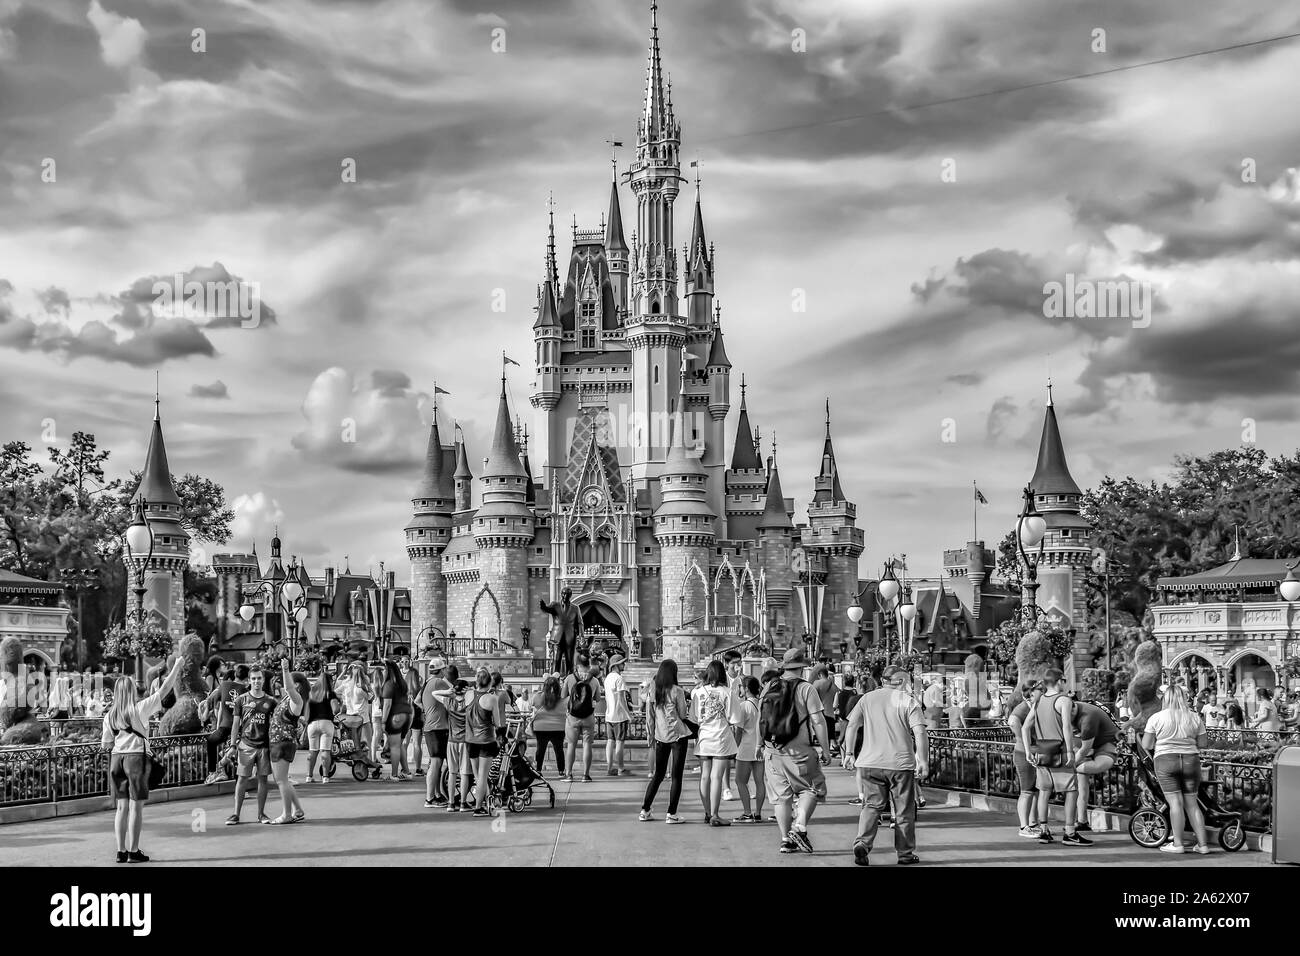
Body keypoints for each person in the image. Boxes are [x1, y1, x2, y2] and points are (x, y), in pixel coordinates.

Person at [842, 665, 928, 866]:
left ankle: (862, 842)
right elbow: (920, 732)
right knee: (903, 810)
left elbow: (852, 725)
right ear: (899, 682)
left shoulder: (867, 698)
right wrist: (922, 760)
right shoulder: (907, 701)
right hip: (900, 764)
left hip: (869, 763)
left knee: (872, 805)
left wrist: (848, 753)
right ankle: (905, 854)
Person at [101, 659, 185, 863]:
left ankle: (120, 851)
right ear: (130, 691)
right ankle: (133, 851)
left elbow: (106, 745)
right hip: (136, 759)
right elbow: (164, 689)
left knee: (121, 808)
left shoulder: (109, 716)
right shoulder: (140, 708)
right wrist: (177, 667)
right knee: (136, 806)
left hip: (116, 760)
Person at [761, 648, 832, 854]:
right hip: (800, 751)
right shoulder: (806, 689)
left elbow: (761, 720)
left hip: (772, 750)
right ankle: (799, 827)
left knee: (781, 798)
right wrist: (825, 750)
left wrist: (760, 745)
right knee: (813, 788)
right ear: (802, 667)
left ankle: (785, 840)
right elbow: (818, 720)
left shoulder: (768, 687)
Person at [1022, 669, 1091, 847]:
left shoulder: (1038, 701)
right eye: (1064, 680)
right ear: (1059, 681)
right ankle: (1070, 832)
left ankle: (1044, 831)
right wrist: (1070, 751)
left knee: (1044, 792)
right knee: (1071, 791)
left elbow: (1025, 727)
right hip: (1060, 752)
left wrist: (1029, 750)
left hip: (1042, 752)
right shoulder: (1063, 700)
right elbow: (1067, 728)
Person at [1142, 685, 1211, 854]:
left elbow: (1147, 744)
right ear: (1183, 698)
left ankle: (1178, 844)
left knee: (1175, 804)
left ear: (1165, 699)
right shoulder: (1194, 717)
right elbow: (1202, 744)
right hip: (1190, 760)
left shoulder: (1156, 718)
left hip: (1165, 760)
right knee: (1192, 804)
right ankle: (1203, 845)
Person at [640, 659, 691, 823]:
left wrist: (651, 734)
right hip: (678, 735)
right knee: (676, 776)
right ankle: (671, 813)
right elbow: (683, 715)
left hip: (661, 735)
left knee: (658, 775)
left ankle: (645, 809)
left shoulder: (654, 691)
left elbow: (650, 715)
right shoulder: (678, 691)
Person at [691, 660, 741, 826]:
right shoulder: (727, 692)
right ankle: (715, 814)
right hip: (721, 737)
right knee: (716, 777)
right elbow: (735, 718)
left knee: (705, 776)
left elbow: (694, 718)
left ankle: (707, 812)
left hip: (704, 737)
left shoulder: (698, 692)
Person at [1071, 697, 1121, 833]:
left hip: (1104, 745)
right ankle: (1081, 820)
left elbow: (1085, 749)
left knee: (1095, 767)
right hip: (1085, 748)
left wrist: (1071, 765)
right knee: (1081, 786)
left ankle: (1080, 820)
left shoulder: (1088, 716)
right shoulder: (1068, 713)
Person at [267, 662, 307, 824]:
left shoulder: (296, 699)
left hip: (282, 742)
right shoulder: (286, 699)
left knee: (281, 780)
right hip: (280, 741)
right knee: (284, 779)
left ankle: (287, 814)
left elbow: (289, 688)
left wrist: (285, 670)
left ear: (296, 684)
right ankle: (297, 809)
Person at [463, 666, 506, 816]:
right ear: (489, 683)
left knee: (477, 775)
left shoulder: (468, 695)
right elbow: (498, 722)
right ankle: (478, 807)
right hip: (486, 740)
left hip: (470, 739)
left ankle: (485, 799)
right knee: (482, 775)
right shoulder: (492, 698)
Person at [201, 663, 249, 783]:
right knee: (239, 755)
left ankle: (214, 771)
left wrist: (206, 710)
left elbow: (212, 699)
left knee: (211, 742)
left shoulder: (224, 685)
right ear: (247, 678)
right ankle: (240, 785)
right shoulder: (247, 691)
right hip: (240, 729)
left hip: (225, 725)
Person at [1007, 680, 1043, 837]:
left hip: (1035, 752)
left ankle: (1033, 822)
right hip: (1024, 754)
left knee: (1035, 789)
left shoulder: (1035, 707)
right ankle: (1024, 827)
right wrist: (1026, 745)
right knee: (1027, 790)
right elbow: (1012, 721)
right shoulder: (1021, 710)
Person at [562, 653, 603, 782]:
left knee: (571, 745)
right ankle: (585, 775)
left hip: (572, 717)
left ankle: (568, 774)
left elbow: (563, 695)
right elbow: (597, 698)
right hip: (588, 717)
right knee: (587, 745)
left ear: (577, 664)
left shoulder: (570, 678)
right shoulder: (594, 680)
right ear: (589, 664)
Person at [419, 657, 452, 807]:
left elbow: (417, 702)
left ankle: (437, 794)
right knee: (436, 762)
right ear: (442, 670)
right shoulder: (439, 682)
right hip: (438, 727)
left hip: (431, 726)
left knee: (435, 763)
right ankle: (429, 798)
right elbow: (455, 691)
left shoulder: (427, 683)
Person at [733, 676, 766, 823]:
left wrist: (735, 747)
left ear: (746, 688)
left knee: (740, 781)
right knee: (759, 781)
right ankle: (758, 812)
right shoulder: (761, 704)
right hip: (760, 746)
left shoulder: (743, 706)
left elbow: (738, 730)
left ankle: (747, 811)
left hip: (745, 746)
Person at [379, 658, 413, 780]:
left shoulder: (389, 684)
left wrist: (383, 722)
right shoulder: (402, 683)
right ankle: (407, 772)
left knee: (394, 746)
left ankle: (393, 774)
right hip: (408, 715)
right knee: (400, 745)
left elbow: (387, 705)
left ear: (387, 670)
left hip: (396, 716)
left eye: (383, 669)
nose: (382, 671)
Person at [303, 669, 339, 784]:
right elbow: (335, 709)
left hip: (312, 724)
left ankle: (309, 776)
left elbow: (306, 711)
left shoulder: (312, 693)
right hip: (326, 723)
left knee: (312, 751)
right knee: (325, 751)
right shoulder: (330, 693)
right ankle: (325, 777)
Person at [531, 675, 567, 777]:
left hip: (541, 727)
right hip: (558, 727)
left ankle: (538, 770)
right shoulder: (562, 698)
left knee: (540, 749)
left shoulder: (538, 696)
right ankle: (561, 771)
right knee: (559, 749)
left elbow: (532, 704)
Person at [722, 649, 745, 797]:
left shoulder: (741, 680)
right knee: (725, 756)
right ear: (726, 664)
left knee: (740, 754)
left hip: (739, 720)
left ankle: (743, 785)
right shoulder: (723, 679)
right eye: (733, 664)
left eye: (739, 663)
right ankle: (726, 787)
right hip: (726, 721)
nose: (736, 666)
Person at [603, 653, 631, 775]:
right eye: (622, 663)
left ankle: (609, 768)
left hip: (609, 715)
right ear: (616, 665)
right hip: (619, 716)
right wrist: (629, 714)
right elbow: (621, 700)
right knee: (619, 742)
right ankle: (620, 768)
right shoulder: (619, 679)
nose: (624, 665)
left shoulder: (608, 678)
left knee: (610, 741)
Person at [402, 657, 425, 776]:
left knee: (405, 743)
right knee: (417, 743)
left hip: (405, 715)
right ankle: (418, 768)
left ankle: (404, 767)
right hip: (416, 716)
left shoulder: (403, 689)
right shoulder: (419, 690)